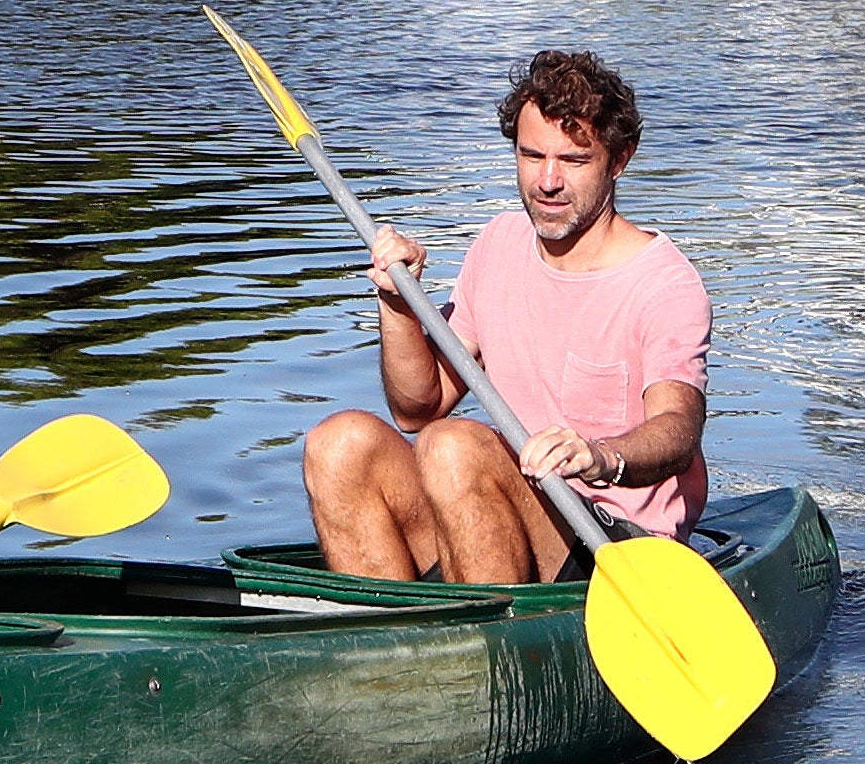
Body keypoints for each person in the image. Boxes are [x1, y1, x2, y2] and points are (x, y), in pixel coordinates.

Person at [301, 47, 706, 584]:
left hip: (615, 544)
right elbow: (417, 409)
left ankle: (492, 653)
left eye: (574, 161)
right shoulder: (497, 243)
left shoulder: (664, 283)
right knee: (338, 444)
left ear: (620, 158)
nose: (548, 181)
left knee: (453, 446)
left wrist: (599, 456)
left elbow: (678, 431)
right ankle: (386, 642)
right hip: (513, 511)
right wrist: (397, 305)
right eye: (532, 156)